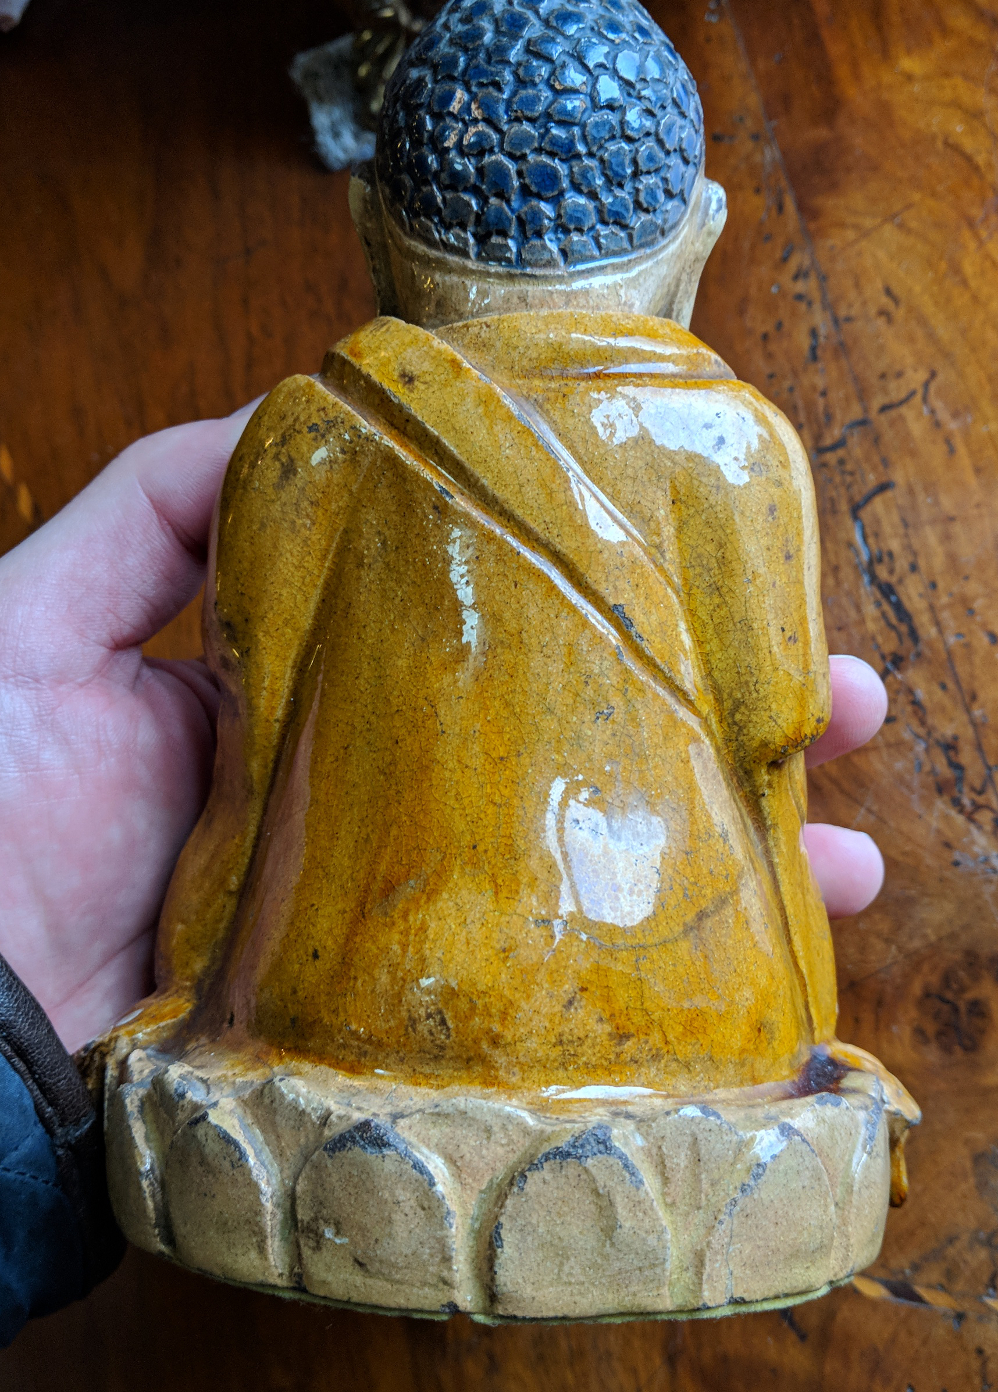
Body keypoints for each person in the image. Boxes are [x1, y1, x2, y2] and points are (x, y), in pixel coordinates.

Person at [0, 403, 887, 1343]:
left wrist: (174, 987)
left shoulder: (320, 429)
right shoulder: (729, 441)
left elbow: (251, 725)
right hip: (698, 1022)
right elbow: (778, 733)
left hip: (319, 1021)